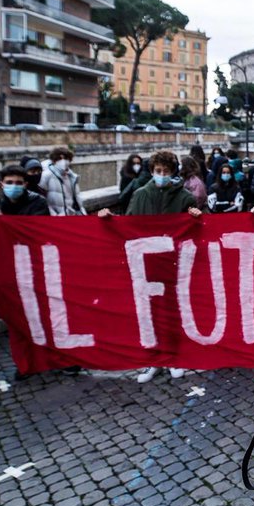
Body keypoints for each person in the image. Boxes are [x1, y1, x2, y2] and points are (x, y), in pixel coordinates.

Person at [98, 150, 202, 383]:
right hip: (146, 264)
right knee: (148, 314)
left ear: (173, 172)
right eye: (158, 171)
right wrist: (109, 219)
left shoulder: (184, 197)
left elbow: (199, 229)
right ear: (152, 171)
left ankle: (174, 357)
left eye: (166, 172)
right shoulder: (140, 195)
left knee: (173, 312)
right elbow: (129, 223)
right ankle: (154, 360)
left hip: (173, 263)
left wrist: (196, 216)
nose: (161, 175)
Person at [0, 164, 50, 288]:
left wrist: (5, 219)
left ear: (25, 184)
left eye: (18, 183)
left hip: (33, 264)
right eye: (9, 182)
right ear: (2, 184)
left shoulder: (38, 203)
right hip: (8, 264)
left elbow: (37, 234)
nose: (14, 186)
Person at [40, 146, 85, 216]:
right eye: (59, 158)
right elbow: (42, 199)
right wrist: (54, 215)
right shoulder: (46, 176)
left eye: (66, 158)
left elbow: (77, 200)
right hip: (58, 219)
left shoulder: (72, 177)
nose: (63, 161)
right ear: (54, 161)